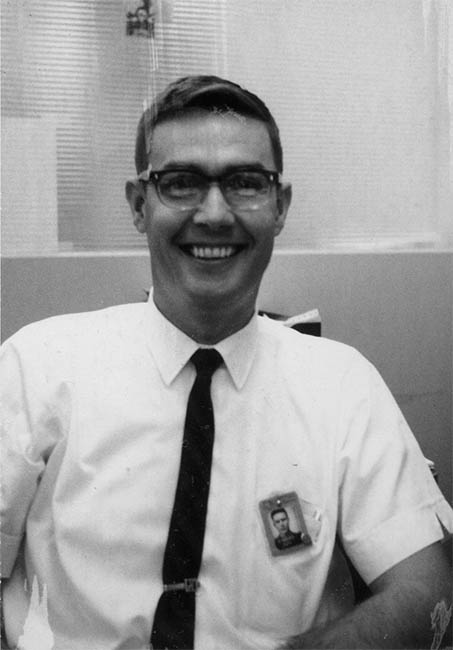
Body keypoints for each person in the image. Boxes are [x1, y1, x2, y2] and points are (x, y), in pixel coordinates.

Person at [1, 74, 452, 650]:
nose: (214, 214)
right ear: (140, 205)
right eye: (182, 183)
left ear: (280, 206)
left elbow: (426, 588)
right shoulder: (36, 368)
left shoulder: (343, 384)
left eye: (245, 183)